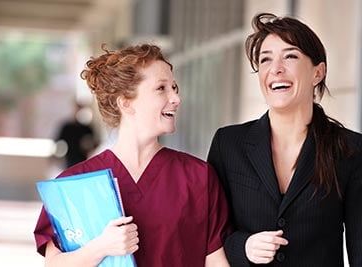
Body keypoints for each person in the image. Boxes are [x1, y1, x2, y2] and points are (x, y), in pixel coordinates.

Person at [207, 12, 362, 266]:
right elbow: (209, 235)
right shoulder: (228, 144)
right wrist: (244, 246)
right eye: (265, 60)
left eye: (290, 56)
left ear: (318, 73)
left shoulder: (350, 149)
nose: (276, 69)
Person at [34, 44, 231, 266]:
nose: (176, 98)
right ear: (126, 103)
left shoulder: (199, 176)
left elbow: (216, 260)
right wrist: (101, 247)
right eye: (161, 88)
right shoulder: (72, 184)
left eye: (174, 88)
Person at [55, 102, 98, 168]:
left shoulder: (87, 128)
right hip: (70, 159)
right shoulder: (67, 127)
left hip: (83, 160)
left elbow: (94, 143)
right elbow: (58, 142)